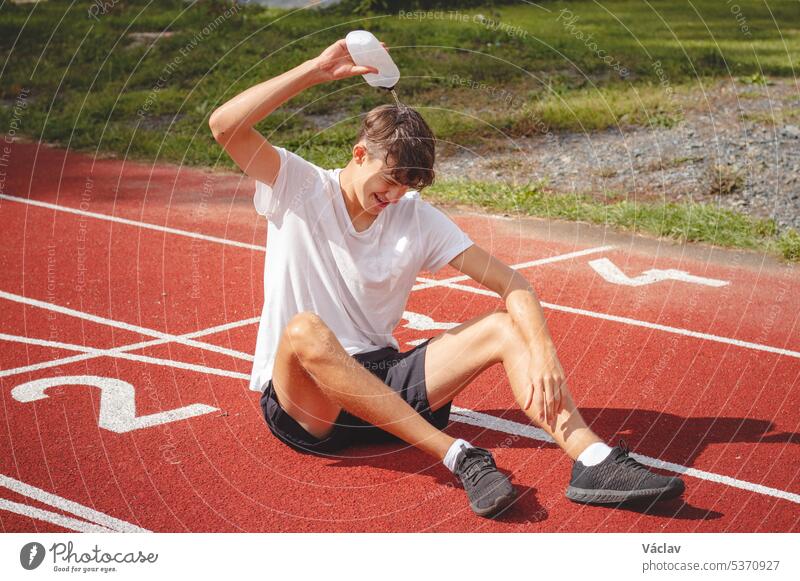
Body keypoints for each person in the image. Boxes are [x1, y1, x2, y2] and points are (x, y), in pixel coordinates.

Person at [208, 37, 685, 519]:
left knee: (502, 326)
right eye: (389, 180)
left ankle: (592, 459)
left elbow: (513, 283)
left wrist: (543, 354)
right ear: (358, 154)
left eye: (407, 186)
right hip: (309, 406)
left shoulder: (413, 215)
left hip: (382, 380)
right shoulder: (299, 185)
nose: (394, 195)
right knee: (305, 329)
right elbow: (224, 126)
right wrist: (314, 70)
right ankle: (460, 456)